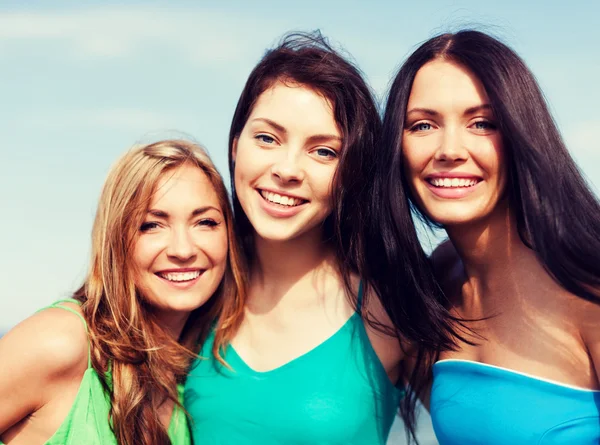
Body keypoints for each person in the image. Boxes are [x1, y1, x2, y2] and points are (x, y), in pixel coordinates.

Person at [185, 32, 459, 445]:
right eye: (267, 138)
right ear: (235, 144)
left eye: (324, 152)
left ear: (351, 174)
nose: (288, 169)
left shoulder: (391, 304)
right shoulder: (192, 287)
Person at [381, 29, 600, 443]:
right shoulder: (436, 283)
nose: (449, 149)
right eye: (423, 125)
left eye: (481, 123)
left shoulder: (587, 282)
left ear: (521, 133)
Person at [0, 139, 245, 445]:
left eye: (205, 222)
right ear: (116, 240)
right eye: (152, 225)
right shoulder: (60, 341)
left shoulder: (191, 374)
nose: (183, 249)